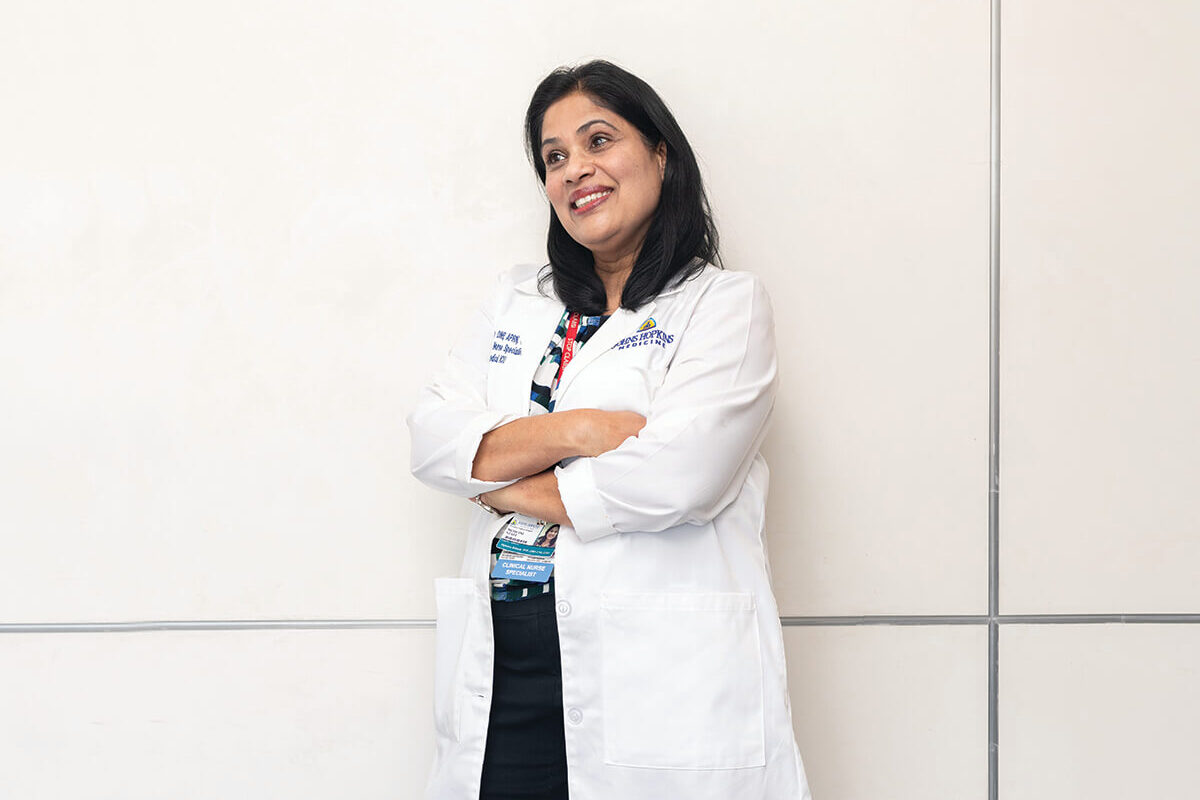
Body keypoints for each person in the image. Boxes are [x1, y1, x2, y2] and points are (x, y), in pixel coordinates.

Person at [408, 59, 812, 800]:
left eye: (599, 140)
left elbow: (678, 478)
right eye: (554, 157)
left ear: (661, 153)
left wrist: (493, 482)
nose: (574, 170)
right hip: (502, 685)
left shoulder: (724, 306)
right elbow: (434, 440)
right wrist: (583, 430)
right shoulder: (514, 301)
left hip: (656, 686)